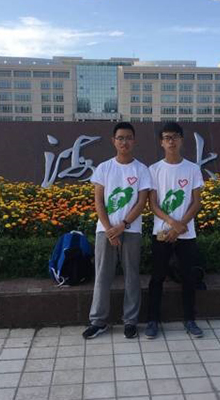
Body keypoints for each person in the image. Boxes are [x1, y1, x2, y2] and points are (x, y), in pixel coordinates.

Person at [82, 122, 151, 340]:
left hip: (131, 230)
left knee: (132, 275)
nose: (124, 142)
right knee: (102, 275)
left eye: (128, 138)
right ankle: (98, 321)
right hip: (105, 230)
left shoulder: (142, 169)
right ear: (113, 141)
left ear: (134, 141)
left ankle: (130, 321)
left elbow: (142, 202)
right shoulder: (103, 168)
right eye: (120, 138)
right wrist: (109, 229)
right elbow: (99, 201)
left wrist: (123, 225)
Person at [146, 122, 204, 339]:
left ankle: (190, 319)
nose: (171, 141)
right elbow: (152, 204)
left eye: (175, 137)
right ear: (161, 142)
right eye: (167, 138)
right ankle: (153, 320)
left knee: (188, 277)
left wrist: (180, 227)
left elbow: (196, 202)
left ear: (181, 140)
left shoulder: (192, 169)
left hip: (186, 234)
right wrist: (172, 223)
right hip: (161, 232)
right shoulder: (154, 170)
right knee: (157, 277)